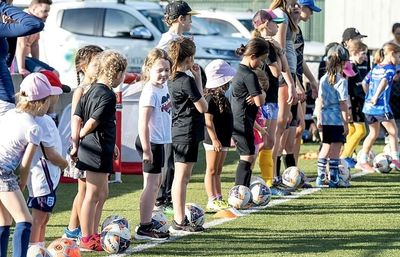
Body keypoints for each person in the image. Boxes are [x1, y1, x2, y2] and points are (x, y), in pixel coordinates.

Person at [70, 50, 127, 251]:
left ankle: (93, 233)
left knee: (102, 193)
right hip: (95, 149)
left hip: (99, 148)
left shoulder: (89, 90)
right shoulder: (108, 95)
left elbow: (77, 117)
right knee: (92, 195)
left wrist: (77, 142)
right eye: (122, 74)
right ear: (117, 73)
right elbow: (92, 122)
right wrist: (82, 137)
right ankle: (86, 238)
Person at [0, 72, 61, 257]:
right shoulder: (34, 128)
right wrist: (23, 182)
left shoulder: (10, 113)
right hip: (3, 173)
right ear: (42, 102)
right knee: (24, 220)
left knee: (4, 220)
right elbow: (25, 164)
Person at [155, 0, 197, 212]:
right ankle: (163, 198)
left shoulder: (180, 39)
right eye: (189, 17)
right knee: (172, 152)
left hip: (181, 97)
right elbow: (157, 67)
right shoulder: (167, 41)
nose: (191, 21)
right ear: (181, 19)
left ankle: (167, 197)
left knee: (176, 154)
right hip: (173, 98)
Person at [63, 45, 103, 241]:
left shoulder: (102, 88)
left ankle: (76, 229)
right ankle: (73, 229)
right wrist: (76, 145)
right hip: (84, 147)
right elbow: (75, 120)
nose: (100, 67)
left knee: (94, 191)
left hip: (99, 146)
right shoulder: (81, 90)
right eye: (96, 63)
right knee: (84, 190)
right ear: (83, 67)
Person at [168, 37, 207, 232]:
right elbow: (203, 106)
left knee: (183, 177)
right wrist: (196, 80)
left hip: (184, 130)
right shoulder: (185, 81)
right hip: (186, 132)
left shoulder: (175, 78)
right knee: (181, 177)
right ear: (190, 58)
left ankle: (180, 217)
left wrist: (198, 78)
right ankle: (179, 219)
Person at [251, 9, 291, 195]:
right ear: (266, 24)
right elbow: (277, 71)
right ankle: (258, 180)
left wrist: (280, 51)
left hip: (272, 98)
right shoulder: (264, 45)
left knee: (270, 141)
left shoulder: (272, 45)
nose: (278, 26)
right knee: (264, 142)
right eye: (275, 23)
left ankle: (270, 181)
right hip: (264, 99)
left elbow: (283, 69)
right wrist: (278, 53)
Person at [134, 48, 172, 240]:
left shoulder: (162, 87)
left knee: (156, 183)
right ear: (148, 69)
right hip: (151, 142)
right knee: (150, 184)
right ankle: (144, 227)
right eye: (160, 70)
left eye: (167, 69)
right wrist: (147, 149)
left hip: (160, 141)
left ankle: (148, 219)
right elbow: (143, 122)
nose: (164, 74)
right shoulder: (150, 91)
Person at [27, 71, 68, 247]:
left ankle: (40, 246)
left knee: (45, 217)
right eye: (57, 95)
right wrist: (64, 163)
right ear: (48, 95)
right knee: (39, 217)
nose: (58, 99)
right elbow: (49, 153)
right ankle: (33, 248)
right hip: (42, 179)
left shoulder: (46, 119)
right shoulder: (41, 120)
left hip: (49, 176)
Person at [231, 38, 267, 187]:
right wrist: (262, 95)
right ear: (253, 56)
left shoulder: (240, 70)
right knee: (247, 157)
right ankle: (239, 193)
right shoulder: (249, 75)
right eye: (261, 59)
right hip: (243, 121)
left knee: (249, 156)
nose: (261, 64)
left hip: (243, 120)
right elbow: (259, 101)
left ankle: (242, 192)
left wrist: (258, 96)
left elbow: (256, 99)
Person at [358, 43, 400, 172]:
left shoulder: (376, 67)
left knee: (373, 133)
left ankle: (363, 160)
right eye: (398, 57)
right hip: (381, 107)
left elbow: (365, 82)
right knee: (393, 132)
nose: (398, 60)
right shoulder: (390, 68)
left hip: (368, 108)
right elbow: (384, 81)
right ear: (391, 54)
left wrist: (369, 97)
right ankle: (395, 160)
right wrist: (376, 97)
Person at [270, 0, 299, 185]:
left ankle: (276, 175)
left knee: (284, 126)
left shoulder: (284, 13)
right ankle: (272, 176)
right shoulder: (280, 14)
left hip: (289, 72)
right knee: (279, 126)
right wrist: (288, 79)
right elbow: (279, 49)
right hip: (284, 74)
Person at [0, 0, 44, 116]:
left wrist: (11, 36)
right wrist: (3, 6)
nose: (11, 6)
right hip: (3, 102)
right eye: (10, 3)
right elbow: (35, 24)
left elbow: (7, 62)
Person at [202, 60, 235, 213]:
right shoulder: (209, 98)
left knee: (219, 170)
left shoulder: (224, 98)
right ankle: (211, 199)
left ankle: (219, 196)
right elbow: (208, 120)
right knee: (212, 170)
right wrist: (214, 139)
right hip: (214, 140)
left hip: (224, 139)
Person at [315, 45, 349, 188]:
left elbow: (320, 100)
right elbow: (342, 104)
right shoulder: (341, 81)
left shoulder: (323, 79)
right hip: (336, 119)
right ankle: (334, 179)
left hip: (325, 116)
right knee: (336, 149)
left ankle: (320, 176)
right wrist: (346, 122)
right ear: (343, 63)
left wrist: (319, 118)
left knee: (325, 146)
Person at [293, 0, 321, 165]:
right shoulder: (288, 30)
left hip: (298, 83)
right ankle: (275, 175)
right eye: (310, 10)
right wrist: (295, 83)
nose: (311, 14)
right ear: (301, 7)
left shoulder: (298, 31)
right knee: (285, 131)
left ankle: (293, 170)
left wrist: (312, 80)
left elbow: (299, 60)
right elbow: (287, 64)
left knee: (299, 129)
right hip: (289, 84)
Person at [340, 41, 368, 168]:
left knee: (352, 130)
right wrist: (349, 106)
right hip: (354, 102)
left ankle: (348, 156)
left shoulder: (355, 66)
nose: (365, 57)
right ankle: (344, 156)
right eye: (363, 54)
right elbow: (345, 89)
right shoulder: (348, 66)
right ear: (355, 52)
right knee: (361, 130)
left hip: (358, 101)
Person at [15, 0, 58, 77]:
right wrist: (22, 68)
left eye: (48, 12)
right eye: (44, 11)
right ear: (34, 9)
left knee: (55, 73)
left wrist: (36, 62)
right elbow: (20, 45)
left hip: (26, 58)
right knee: (45, 74)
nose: (47, 14)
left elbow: (35, 45)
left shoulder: (36, 22)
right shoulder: (24, 21)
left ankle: (57, 87)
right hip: (15, 60)